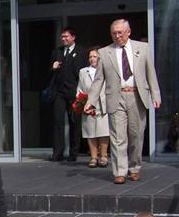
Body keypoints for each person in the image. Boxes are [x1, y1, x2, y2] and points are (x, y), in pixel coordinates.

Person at [84, 19, 161, 184]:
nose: (117, 36)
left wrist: (155, 95)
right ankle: (120, 171)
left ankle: (135, 168)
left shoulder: (143, 48)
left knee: (136, 136)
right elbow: (99, 80)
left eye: (120, 33)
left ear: (128, 32)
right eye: (114, 33)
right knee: (118, 137)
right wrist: (91, 100)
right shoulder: (104, 52)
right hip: (116, 97)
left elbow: (151, 73)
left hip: (136, 96)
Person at [48, 27, 87, 162]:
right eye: (62, 37)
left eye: (66, 36)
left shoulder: (82, 52)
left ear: (73, 37)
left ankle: (73, 153)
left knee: (74, 122)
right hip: (59, 92)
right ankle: (57, 153)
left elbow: (84, 72)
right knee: (58, 121)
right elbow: (49, 72)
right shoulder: (57, 52)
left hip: (75, 92)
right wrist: (53, 67)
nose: (64, 39)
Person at [77, 47, 109, 168]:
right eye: (90, 57)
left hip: (103, 104)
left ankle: (104, 156)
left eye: (94, 56)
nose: (92, 59)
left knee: (103, 131)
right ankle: (93, 157)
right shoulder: (83, 71)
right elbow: (80, 88)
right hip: (88, 105)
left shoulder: (106, 70)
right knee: (90, 132)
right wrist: (82, 102)